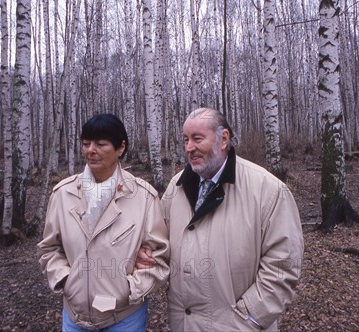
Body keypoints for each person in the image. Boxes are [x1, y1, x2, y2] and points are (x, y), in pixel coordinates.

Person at [137, 107, 304, 331]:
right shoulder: (176, 188)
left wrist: (249, 318)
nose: (189, 148)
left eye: (197, 139)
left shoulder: (269, 190)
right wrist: (146, 253)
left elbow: (284, 264)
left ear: (223, 138)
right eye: (185, 139)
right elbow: (160, 242)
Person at [37, 113, 169, 331]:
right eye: (86, 143)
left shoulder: (144, 197)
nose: (91, 150)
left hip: (125, 318)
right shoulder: (63, 194)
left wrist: (128, 290)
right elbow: (49, 249)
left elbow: (159, 256)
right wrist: (65, 280)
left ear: (120, 148)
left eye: (100, 144)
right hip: (74, 317)